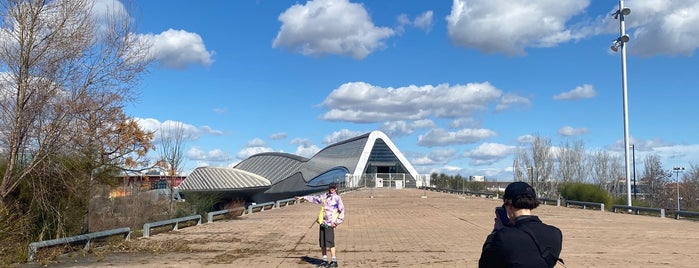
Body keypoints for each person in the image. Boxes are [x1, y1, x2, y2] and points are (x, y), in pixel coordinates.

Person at [479, 181, 564, 268]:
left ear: (509, 205)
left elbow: (485, 264)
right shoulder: (555, 233)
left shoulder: (503, 236)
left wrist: (496, 231)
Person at [296, 184, 345, 267]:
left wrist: (336, 222)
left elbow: (342, 210)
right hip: (323, 223)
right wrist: (303, 197)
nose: (332, 189)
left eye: (333, 188)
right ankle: (324, 260)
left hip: (330, 224)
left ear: (336, 189)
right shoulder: (325, 196)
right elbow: (315, 198)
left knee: (330, 242)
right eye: (330, 188)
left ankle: (334, 260)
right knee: (322, 243)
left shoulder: (337, 198)